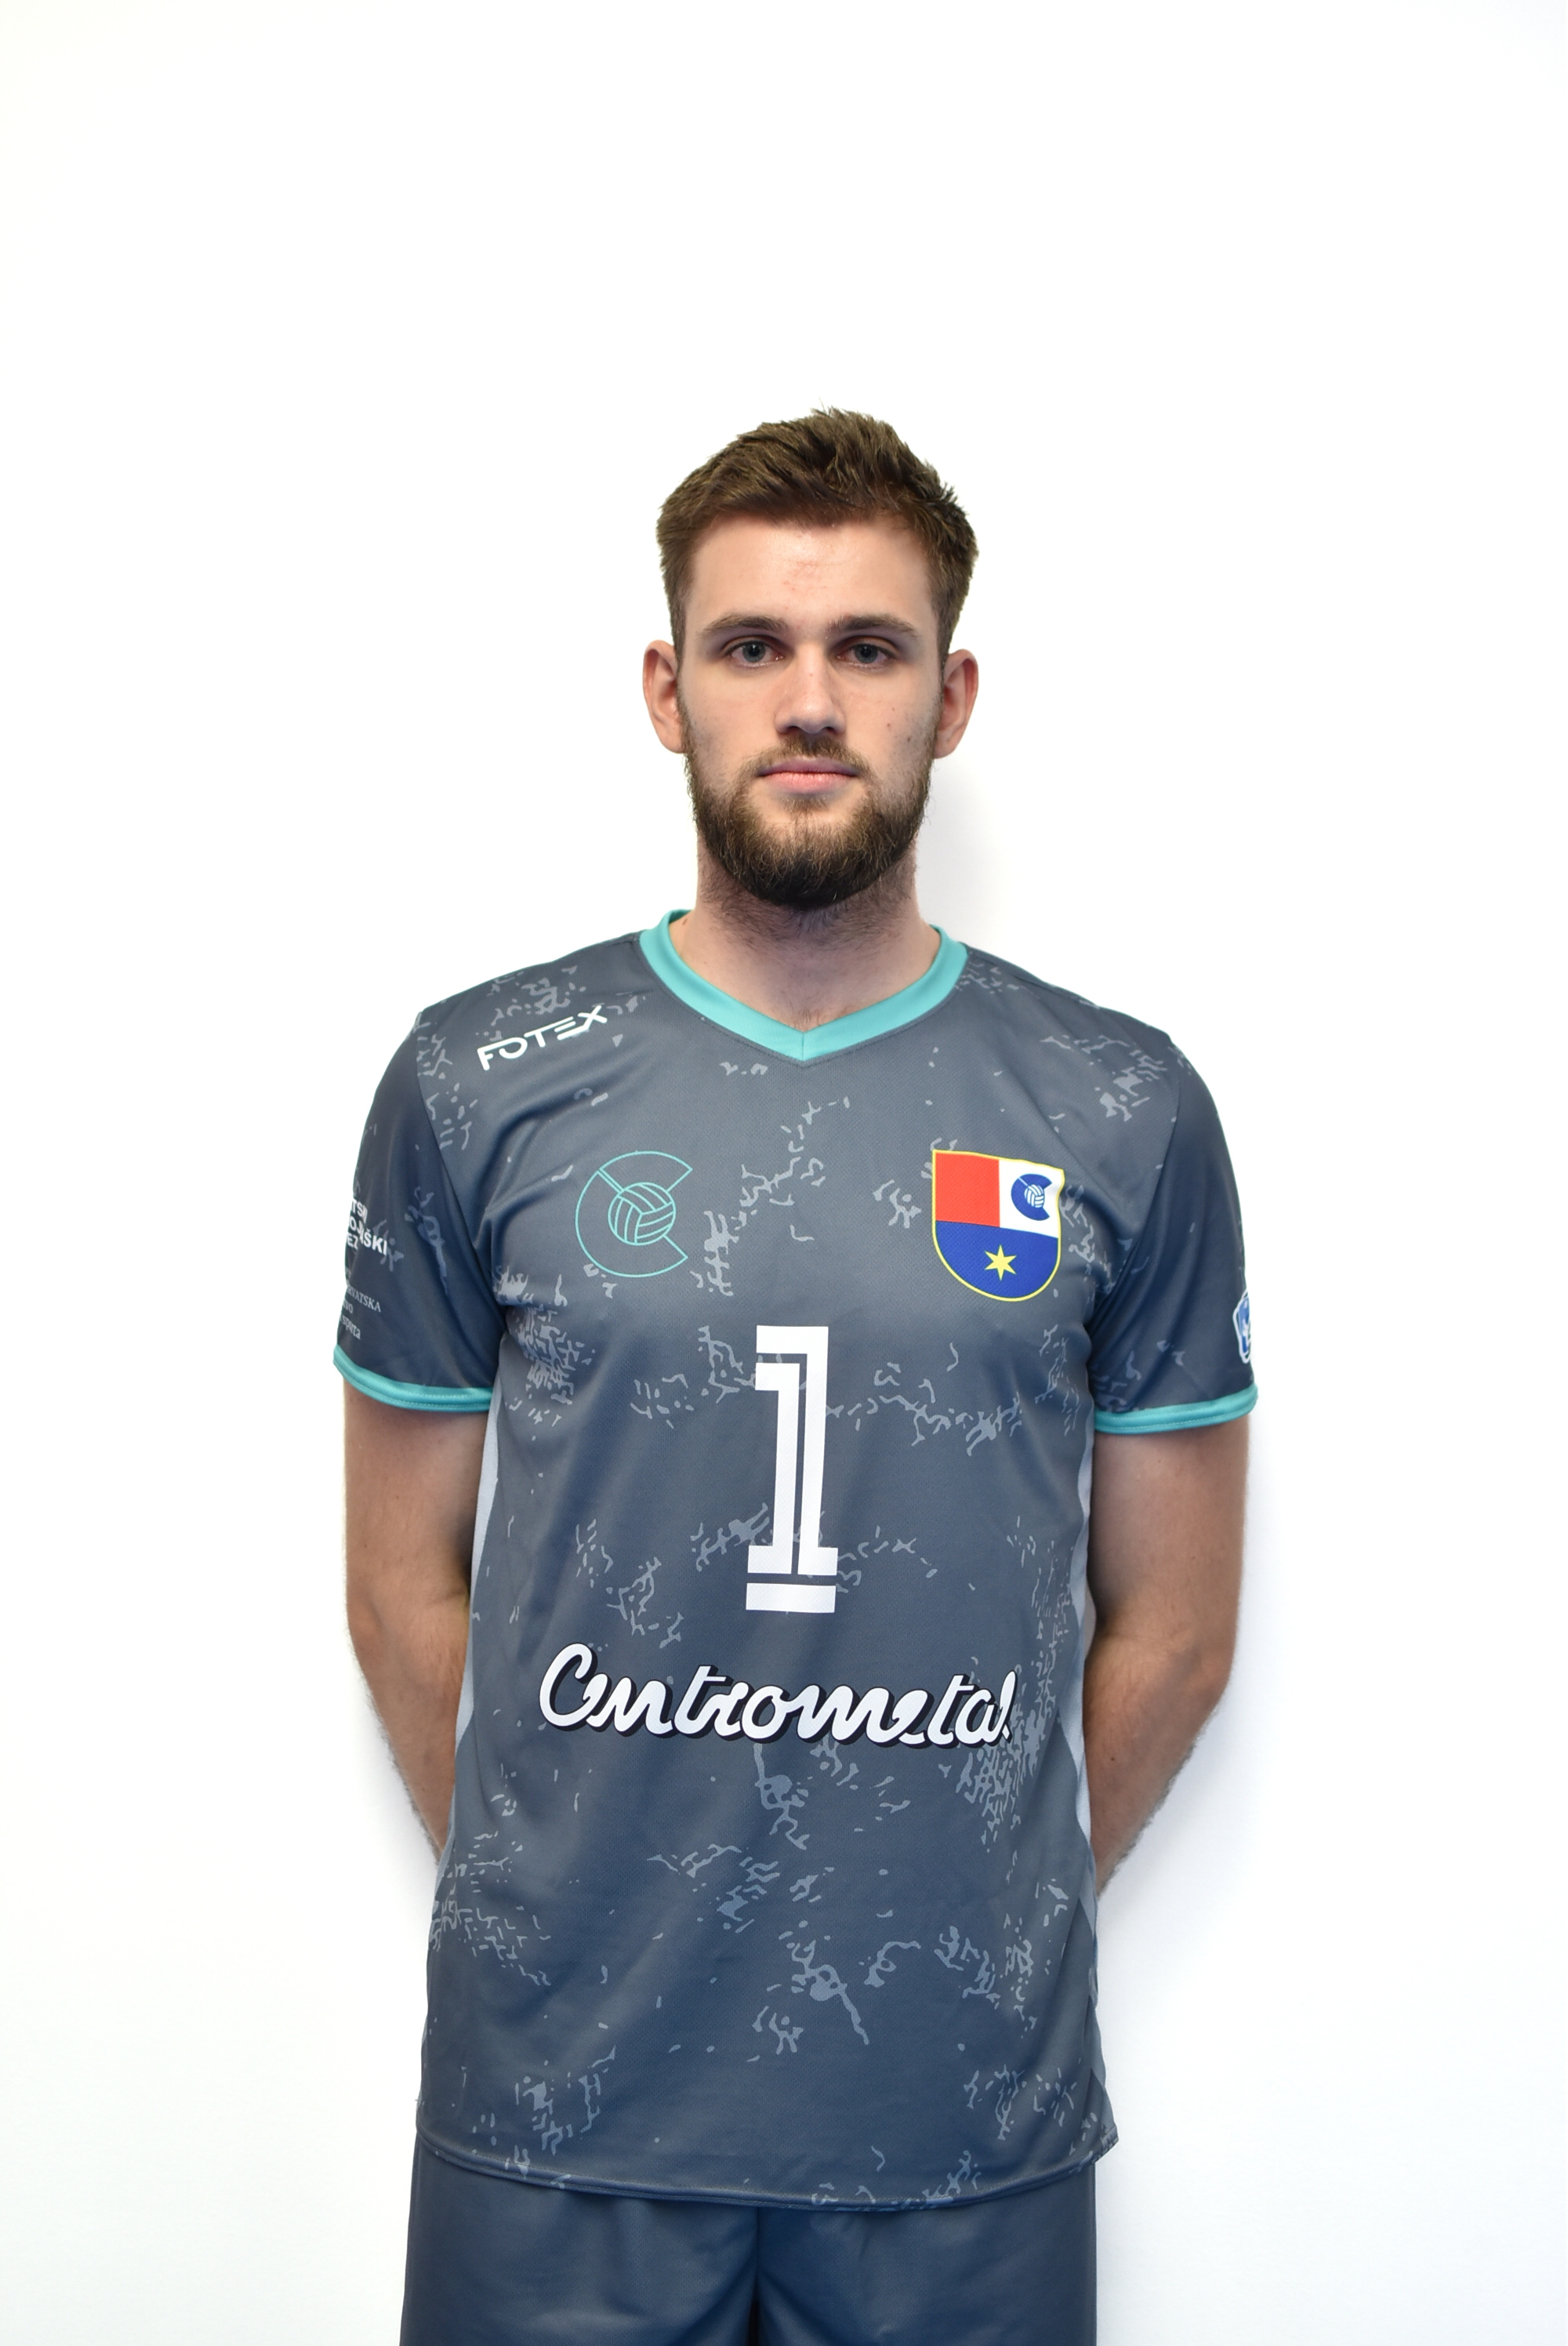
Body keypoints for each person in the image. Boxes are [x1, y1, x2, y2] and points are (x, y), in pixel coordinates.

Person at [337, 410, 1254, 2345]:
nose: (811, 699)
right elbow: (399, 1579)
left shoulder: (1118, 1105)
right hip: (556, 2122)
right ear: (666, 689)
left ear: (952, 695)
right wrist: (559, 1886)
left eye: (869, 648)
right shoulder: (477, 1081)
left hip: (959, 2125)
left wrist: (976, 1902)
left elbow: (1175, 1629)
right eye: (752, 644)